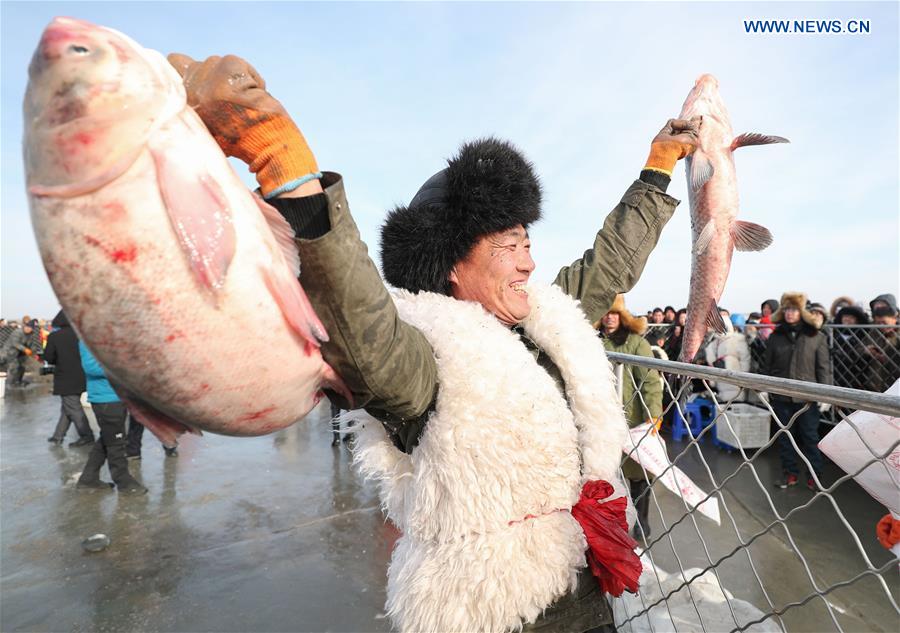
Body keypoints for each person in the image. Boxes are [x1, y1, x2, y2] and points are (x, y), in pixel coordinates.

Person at [168, 51, 699, 632]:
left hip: (584, 583)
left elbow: (609, 265)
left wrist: (657, 167)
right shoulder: (426, 359)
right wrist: (283, 162)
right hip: (496, 609)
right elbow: (359, 322)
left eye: (528, 242)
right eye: (509, 244)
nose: (530, 262)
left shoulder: (540, 324)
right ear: (451, 263)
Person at [596, 295, 663, 540]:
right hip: (602, 421)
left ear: (623, 317)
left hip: (633, 421)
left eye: (614, 313)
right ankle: (613, 523)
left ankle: (641, 523)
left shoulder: (636, 344)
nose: (609, 317)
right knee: (607, 473)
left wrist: (653, 415)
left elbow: (650, 382)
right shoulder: (593, 342)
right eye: (605, 312)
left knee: (638, 475)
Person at [759, 293, 831, 491]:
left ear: (802, 312)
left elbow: (823, 367)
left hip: (808, 397)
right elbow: (767, 365)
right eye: (787, 310)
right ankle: (789, 474)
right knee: (785, 437)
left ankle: (814, 477)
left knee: (810, 437)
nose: (790, 313)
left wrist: (826, 395)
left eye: (794, 310)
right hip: (781, 396)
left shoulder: (816, 336)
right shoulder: (776, 336)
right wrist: (764, 387)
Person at [76, 341, 148, 494]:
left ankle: (88, 479)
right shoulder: (87, 339)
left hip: (118, 397)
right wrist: (123, 367)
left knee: (108, 437)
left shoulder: (107, 337)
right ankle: (123, 482)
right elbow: (91, 368)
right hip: (105, 399)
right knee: (116, 442)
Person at [43, 310, 94, 446]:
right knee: (68, 407)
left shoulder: (54, 336)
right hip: (81, 375)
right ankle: (58, 435)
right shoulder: (81, 336)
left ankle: (87, 435)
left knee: (73, 407)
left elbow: (49, 357)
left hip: (65, 377)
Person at [704, 310, 751, 402]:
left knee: (736, 399)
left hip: (735, 375)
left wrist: (744, 376)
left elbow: (745, 359)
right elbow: (711, 362)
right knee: (724, 400)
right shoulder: (714, 343)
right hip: (721, 375)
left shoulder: (737, 339)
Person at [831, 305, 870, 390]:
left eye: (851, 317)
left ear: (857, 320)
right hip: (835, 377)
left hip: (856, 378)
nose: (847, 319)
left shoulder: (863, 336)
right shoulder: (832, 334)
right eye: (845, 316)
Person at [863, 305, 900, 393]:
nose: (881, 325)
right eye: (878, 323)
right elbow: (858, 348)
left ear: (894, 319)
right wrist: (866, 351)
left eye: (884, 322)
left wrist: (886, 358)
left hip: (894, 383)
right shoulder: (874, 333)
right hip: (874, 383)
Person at [3, 320, 37, 388]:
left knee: (22, 366)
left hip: (20, 353)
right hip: (10, 352)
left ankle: (18, 381)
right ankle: (10, 384)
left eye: (30, 328)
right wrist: (25, 349)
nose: (28, 329)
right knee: (14, 367)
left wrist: (33, 352)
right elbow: (15, 343)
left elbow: (31, 344)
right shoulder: (17, 332)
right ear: (24, 326)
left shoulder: (31, 334)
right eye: (27, 327)